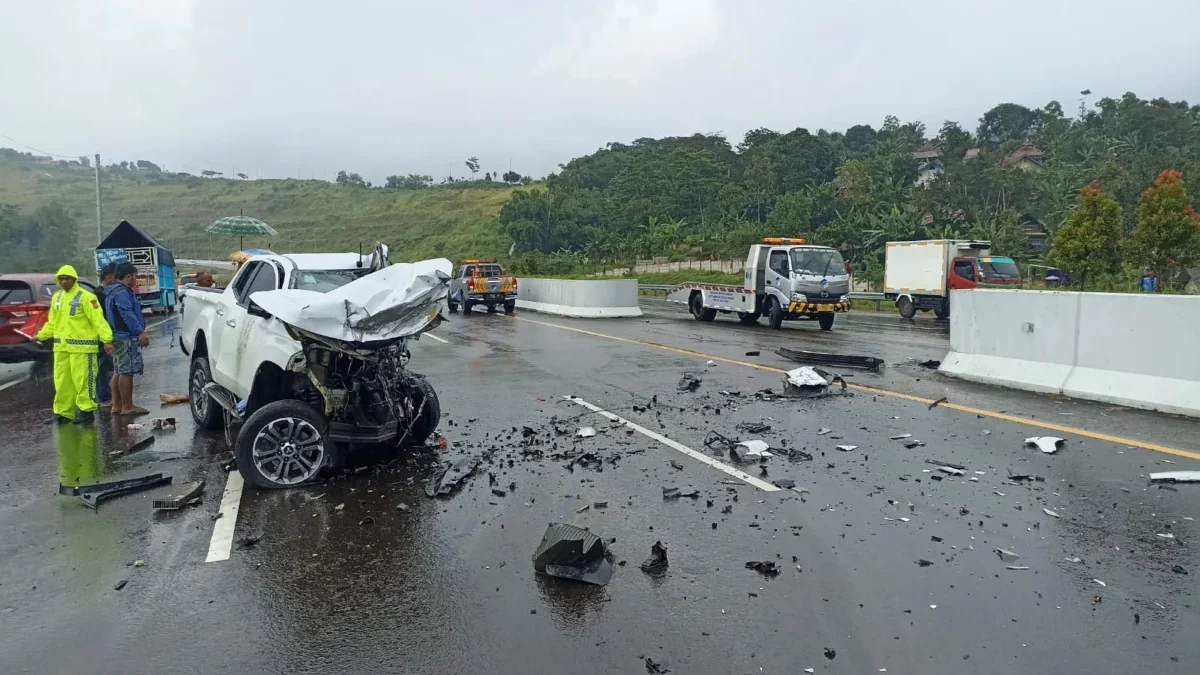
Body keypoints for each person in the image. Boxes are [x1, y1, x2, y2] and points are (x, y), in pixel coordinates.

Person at [34, 265, 114, 424]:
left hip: (83, 349)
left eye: (67, 278)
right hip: (62, 348)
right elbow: (53, 322)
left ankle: (86, 411)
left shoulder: (87, 297)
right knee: (62, 381)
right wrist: (41, 335)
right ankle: (64, 413)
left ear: (74, 279)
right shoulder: (57, 297)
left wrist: (107, 339)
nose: (64, 282)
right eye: (61, 279)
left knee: (84, 380)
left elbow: (98, 320)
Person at [106, 262, 150, 417]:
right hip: (126, 337)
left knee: (118, 371)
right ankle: (127, 406)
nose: (135, 279)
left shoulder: (112, 290)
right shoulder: (122, 292)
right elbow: (126, 314)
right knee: (127, 372)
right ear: (129, 275)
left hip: (117, 335)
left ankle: (117, 405)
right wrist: (140, 332)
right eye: (135, 276)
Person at [95, 263, 118, 411]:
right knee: (104, 367)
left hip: (107, 336)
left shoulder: (104, 293)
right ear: (109, 278)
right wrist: (106, 339)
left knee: (108, 366)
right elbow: (100, 319)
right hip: (102, 338)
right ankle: (104, 398)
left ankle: (108, 396)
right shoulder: (98, 295)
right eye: (116, 278)